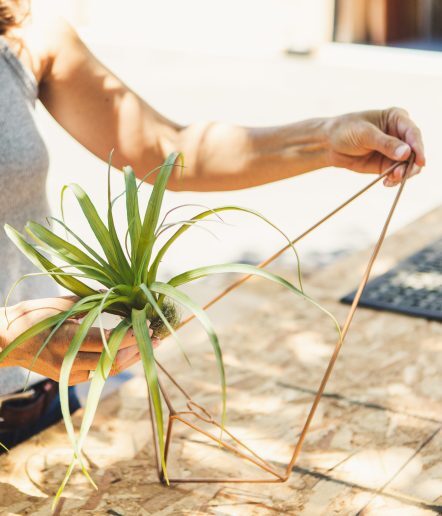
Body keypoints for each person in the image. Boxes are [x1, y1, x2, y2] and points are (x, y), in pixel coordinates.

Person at [0, 0, 426, 448]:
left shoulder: (24, 32)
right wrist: (7, 334)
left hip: (41, 405)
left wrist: (327, 138)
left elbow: (167, 150)